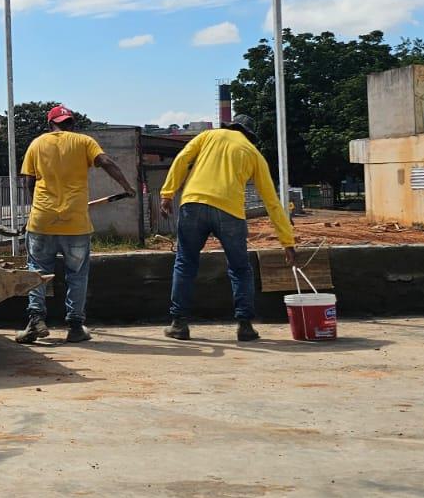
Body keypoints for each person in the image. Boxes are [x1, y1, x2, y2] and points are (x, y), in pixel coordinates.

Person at [158, 113, 297, 342]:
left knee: (185, 263)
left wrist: (167, 194)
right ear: (248, 134)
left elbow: (182, 160)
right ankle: (245, 326)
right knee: (240, 268)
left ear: (231, 126)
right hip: (230, 212)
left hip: (193, 204)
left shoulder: (207, 136)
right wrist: (287, 242)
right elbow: (271, 201)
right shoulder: (253, 153)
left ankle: (179, 324)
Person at [16, 104, 135, 344]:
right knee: (77, 276)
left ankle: (36, 321)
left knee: (36, 272)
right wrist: (127, 187)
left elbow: (29, 182)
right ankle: (75, 326)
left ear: (51, 124)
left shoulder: (37, 144)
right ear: (71, 123)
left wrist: (36, 209)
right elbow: (107, 162)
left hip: (42, 221)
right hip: (76, 224)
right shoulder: (84, 142)